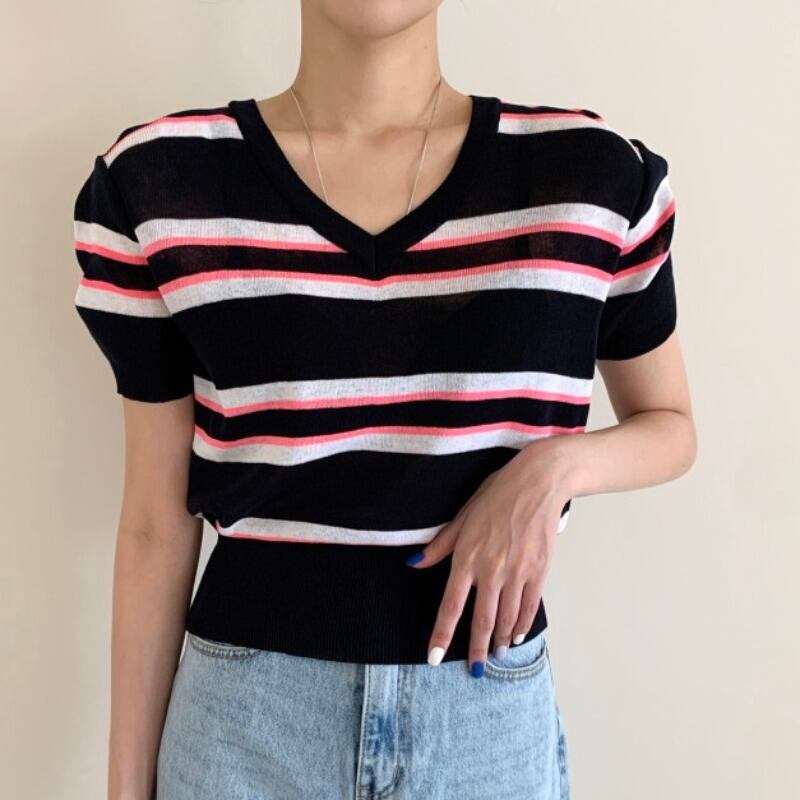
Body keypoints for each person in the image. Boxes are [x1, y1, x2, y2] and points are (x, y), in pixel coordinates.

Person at [71, 2, 697, 798]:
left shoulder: (590, 178)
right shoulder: (161, 183)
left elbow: (669, 425)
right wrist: (126, 788)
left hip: (483, 722)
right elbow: (157, 522)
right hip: (245, 729)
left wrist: (553, 470)